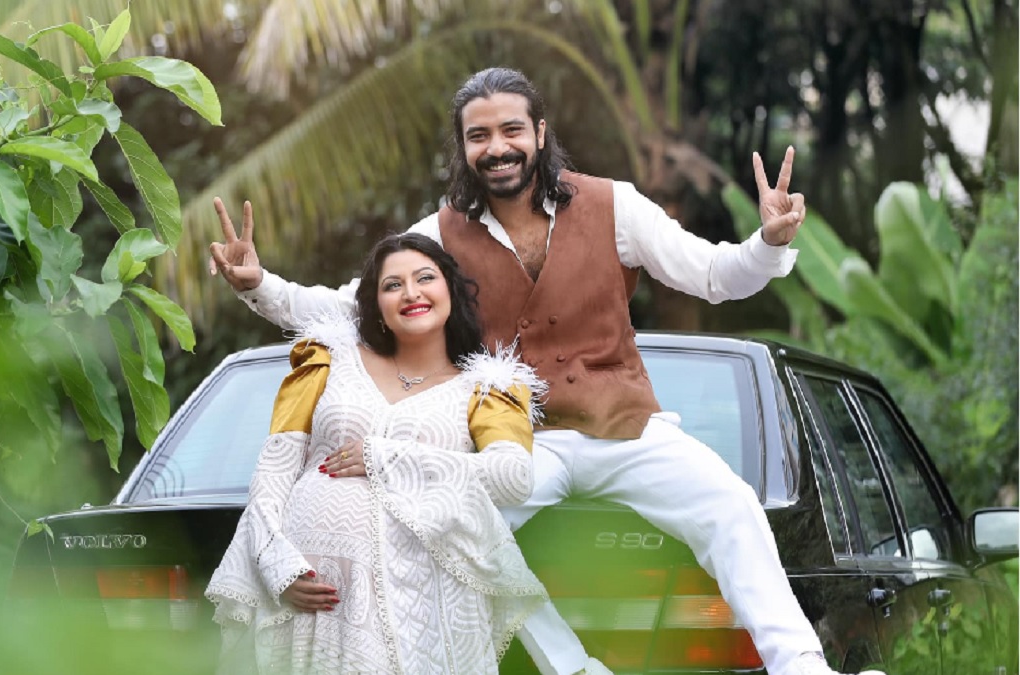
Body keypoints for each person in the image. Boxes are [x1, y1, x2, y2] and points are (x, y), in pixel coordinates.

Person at [208, 68, 885, 675]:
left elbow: (712, 274)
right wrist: (259, 284)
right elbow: (353, 304)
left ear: (538, 133)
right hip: (520, 442)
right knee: (464, 535)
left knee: (732, 504)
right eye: (478, 136)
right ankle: (575, 669)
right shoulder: (440, 234)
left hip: (624, 426)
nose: (496, 147)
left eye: (510, 130)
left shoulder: (615, 205)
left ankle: (803, 667)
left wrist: (767, 243)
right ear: (463, 149)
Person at [205, 233, 549, 674]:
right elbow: (275, 468)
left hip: (422, 604)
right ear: (376, 305)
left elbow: (513, 477)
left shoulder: (487, 388)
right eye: (392, 285)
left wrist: (386, 456)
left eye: (425, 278)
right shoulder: (329, 360)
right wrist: (276, 564)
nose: (411, 293)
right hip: (309, 603)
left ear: (451, 290)